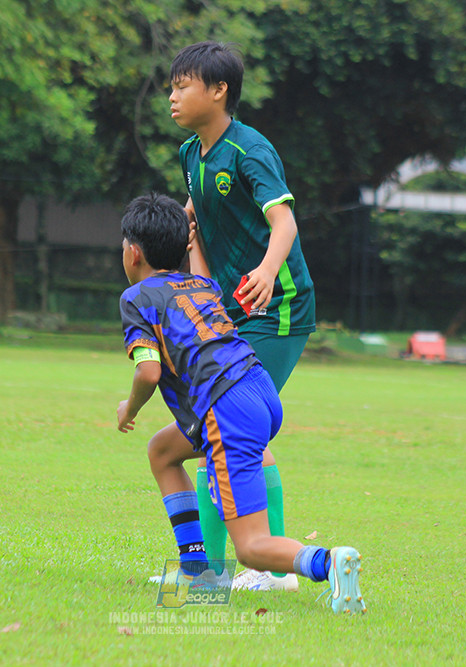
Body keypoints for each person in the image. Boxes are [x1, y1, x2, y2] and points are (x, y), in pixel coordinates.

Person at [116, 193, 365, 614]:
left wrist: (131, 408)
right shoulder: (201, 284)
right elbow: (202, 285)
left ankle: (329, 561)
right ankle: (197, 573)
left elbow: (149, 372)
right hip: (259, 391)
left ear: (133, 252)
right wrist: (193, 249)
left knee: (251, 548)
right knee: (162, 451)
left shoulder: (137, 298)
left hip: (227, 407)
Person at [158, 40, 316, 591]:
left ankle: (249, 571)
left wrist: (270, 273)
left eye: (184, 85)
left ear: (219, 91)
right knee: (224, 432)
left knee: (223, 429)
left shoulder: (250, 150)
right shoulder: (189, 155)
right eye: (173, 86)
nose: (173, 96)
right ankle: (219, 569)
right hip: (230, 314)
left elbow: (285, 224)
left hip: (279, 311)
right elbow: (196, 225)